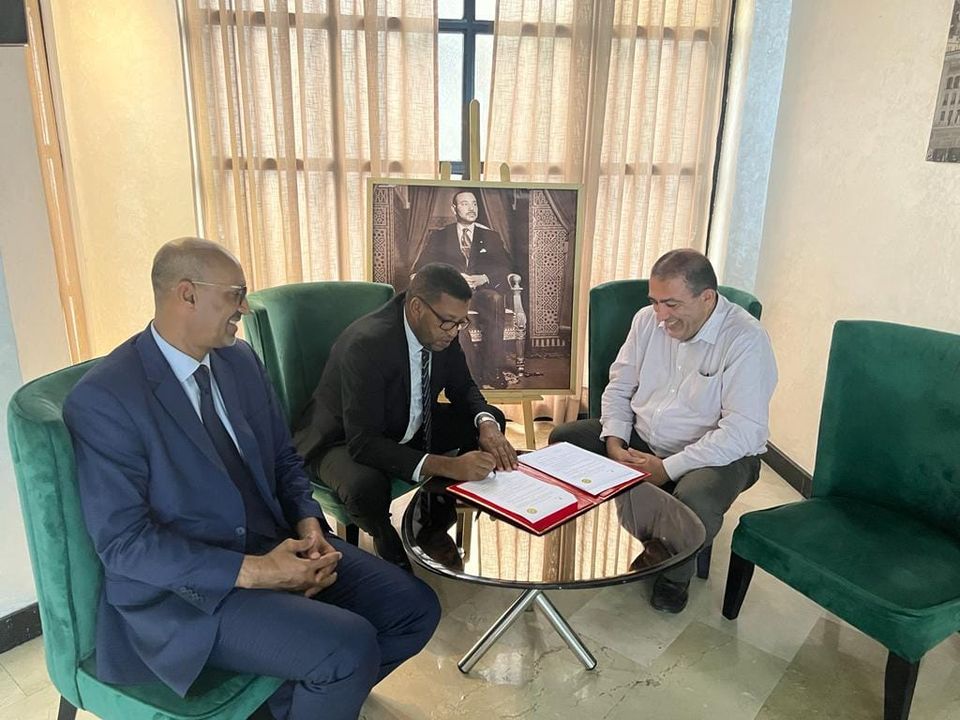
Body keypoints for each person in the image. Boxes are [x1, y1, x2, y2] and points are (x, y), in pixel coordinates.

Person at [63, 238, 440, 720]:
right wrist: (257, 572)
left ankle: (298, 703)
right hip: (187, 596)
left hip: (274, 544)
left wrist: (309, 526)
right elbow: (124, 544)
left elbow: (283, 458)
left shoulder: (239, 361)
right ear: (187, 294)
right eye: (235, 294)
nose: (244, 307)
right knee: (348, 648)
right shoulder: (107, 397)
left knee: (415, 609)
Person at [549, 249, 777, 613]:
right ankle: (629, 538)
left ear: (707, 298)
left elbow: (743, 432)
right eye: (655, 302)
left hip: (717, 454)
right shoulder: (646, 321)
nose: (661, 315)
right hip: (643, 435)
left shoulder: (745, 339)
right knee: (564, 442)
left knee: (696, 498)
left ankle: (674, 575)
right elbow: (619, 386)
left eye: (671, 304)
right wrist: (614, 441)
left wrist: (667, 468)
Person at [293, 262, 519, 569]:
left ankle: (435, 522)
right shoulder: (367, 344)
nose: (454, 332)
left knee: (488, 418)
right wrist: (451, 466)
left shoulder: (442, 329)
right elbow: (364, 443)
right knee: (366, 487)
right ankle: (388, 543)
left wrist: (487, 425)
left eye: (461, 323)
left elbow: (463, 387)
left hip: (404, 421)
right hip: (341, 438)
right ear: (416, 307)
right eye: (448, 323)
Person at [412, 190, 517, 388]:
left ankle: (493, 371)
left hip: (482, 290)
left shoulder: (490, 236)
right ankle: (471, 374)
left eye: (474, 204)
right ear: (454, 209)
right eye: (465, 204)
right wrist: (453, 277)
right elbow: (423, 266)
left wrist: (484, 278)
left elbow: (505, 265)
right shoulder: (440, 236)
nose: (471, 208)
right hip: (453, 294)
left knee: (495, 299)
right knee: (453, 317)